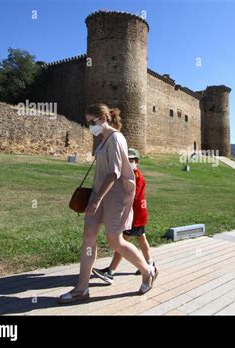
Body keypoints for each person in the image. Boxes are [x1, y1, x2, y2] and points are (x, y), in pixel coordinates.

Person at [59, 103, 157, 304]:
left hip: (115, 196)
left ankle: (148, 271)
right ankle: (82, 288)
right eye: (88, 124)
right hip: (99, 193)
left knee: (114, 239)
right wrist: (95, 196)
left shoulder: (116, 138)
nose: (90, 127)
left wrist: (96, 199)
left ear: (103, 119)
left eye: (92, 123)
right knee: (89, 236)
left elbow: (115, 173)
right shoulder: (103, 140)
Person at [92, 148, 156, 284]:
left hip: (134, 215)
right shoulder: (131, 174)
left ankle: (110, 272)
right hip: (139, 214)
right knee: (141, 239)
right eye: (127, 161)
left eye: (132, 160)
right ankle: (150, 265)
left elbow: (131, 195)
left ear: (137, 162)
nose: (129, 163)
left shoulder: (136, 176)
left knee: (121, 243)